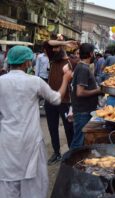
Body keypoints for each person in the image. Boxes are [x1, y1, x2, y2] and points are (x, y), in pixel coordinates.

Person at [0, 46, 72, 197]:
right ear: (27, 63)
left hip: (6, 140)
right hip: (30, 139)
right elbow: (56, 99)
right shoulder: (34, 82)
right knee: (33, 184)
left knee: (7, 182)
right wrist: (65, 79)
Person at [43, 39, 78, 165]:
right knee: (52, 128)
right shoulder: (52, 59)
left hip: (65, 102)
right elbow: (47, 43)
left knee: (69, 130)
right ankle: (56, 153)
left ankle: (71, 154)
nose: (53, 50)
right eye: (55, 47)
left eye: (57, 48)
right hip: (50, 100)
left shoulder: (72, 62)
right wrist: (63, 42)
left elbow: (76, 83)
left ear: (63, 50)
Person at [70, 43, 102, 149]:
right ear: (91, 54)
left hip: (84, 110)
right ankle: (70, 163)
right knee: (78, 142)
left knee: (81, 141)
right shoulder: (83, 68)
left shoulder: (84, 67)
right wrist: (98, 90)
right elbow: (80, 92)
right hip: (82, 111)